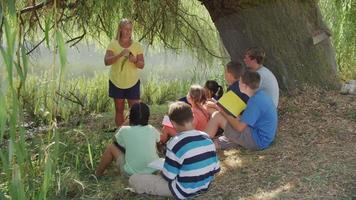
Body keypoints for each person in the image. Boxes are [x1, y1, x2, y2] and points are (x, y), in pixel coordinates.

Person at [129, 102, 220, 199]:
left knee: (134, 179)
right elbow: (216, 169)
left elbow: (169, 176)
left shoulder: (175, 142)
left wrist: (163, 170)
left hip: (182, 191)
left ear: (172, 123)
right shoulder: (206, 137)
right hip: (204, 186)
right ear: (193, 118)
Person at [205, 71, 278, 150]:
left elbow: (239, 128)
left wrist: (220, 109)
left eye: (239, 81)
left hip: (258, 141)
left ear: (245, 86)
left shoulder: (254, 101)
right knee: (230, 121)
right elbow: (247, 118)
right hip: (263, 138)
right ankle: (216, 144)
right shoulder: (260, 95)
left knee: (217, 116)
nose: (238, 83)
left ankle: (200, 141)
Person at [95, 102, 160, 176]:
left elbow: (114, 139)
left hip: (131, 173)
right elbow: (159, 140)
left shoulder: (124, 130)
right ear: (147, 117)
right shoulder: (152, 129)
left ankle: (98, 173)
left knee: (111, 147)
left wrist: (125, 122)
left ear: (130, 117)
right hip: (153, 170)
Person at [104, 18, 145, 127]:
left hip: (133, 82)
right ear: (120, 29)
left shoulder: (137, 45)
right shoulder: (113, 44)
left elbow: (141, 65)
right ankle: (120, 137)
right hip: (116, 82)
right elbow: (106, 62)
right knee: (119, 110)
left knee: (136, 111)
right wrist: (120, 54)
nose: (128, 32)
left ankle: (135, 134)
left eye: (130, 29)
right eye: (126, 29)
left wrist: (135, 60)